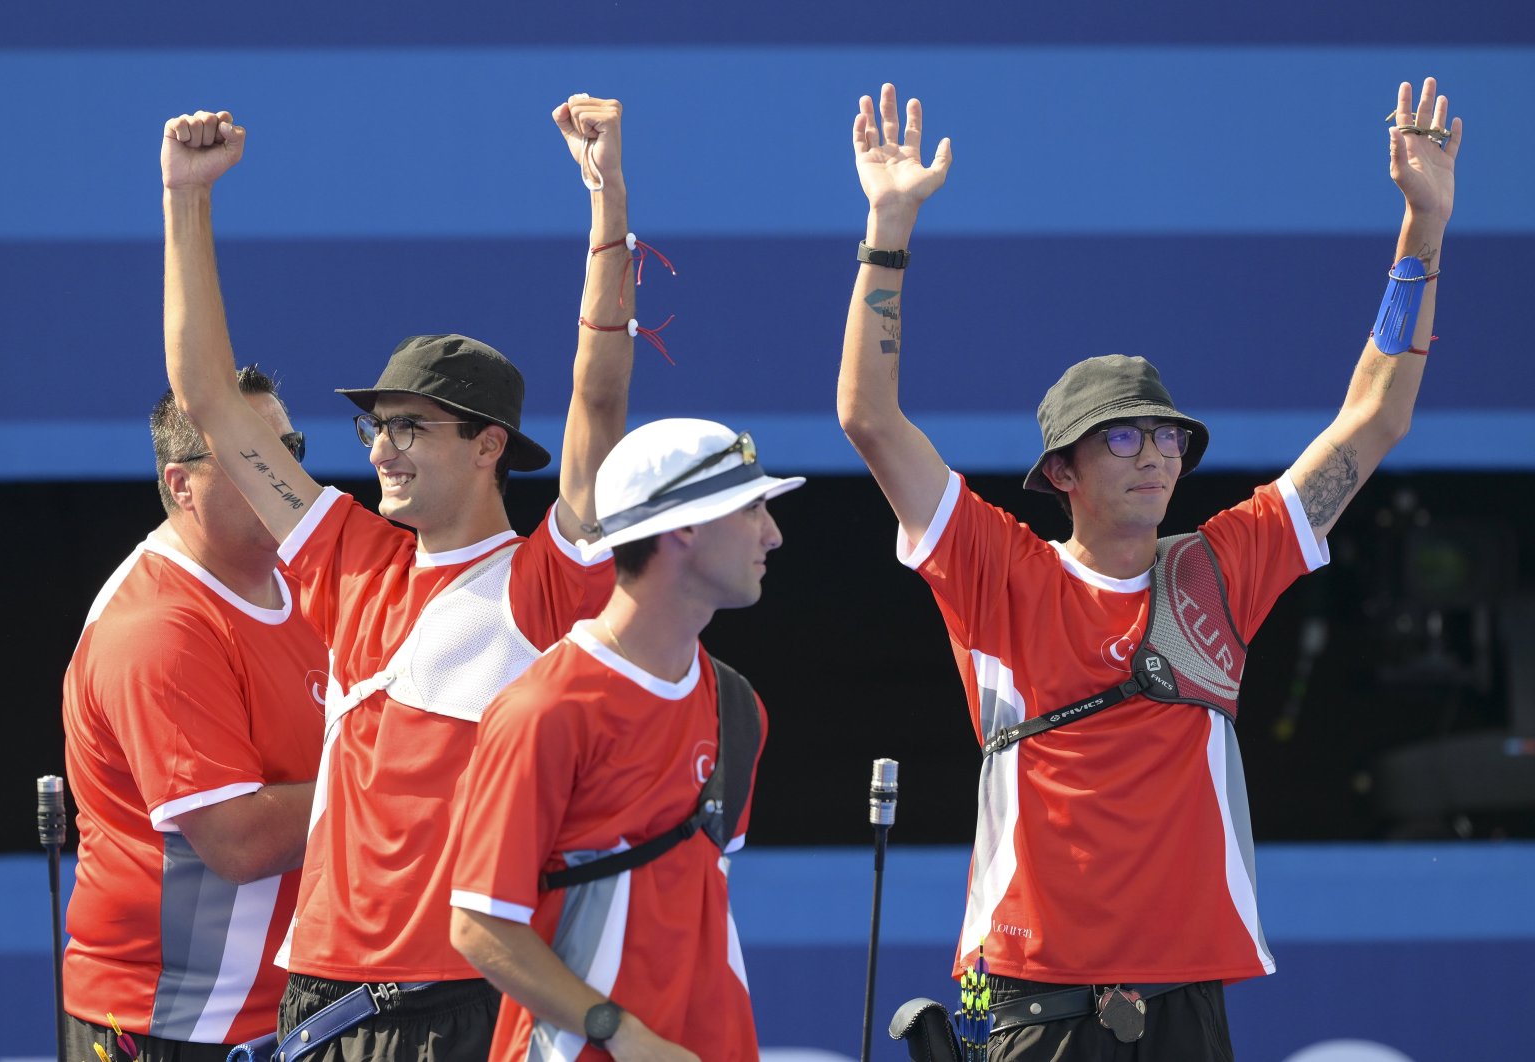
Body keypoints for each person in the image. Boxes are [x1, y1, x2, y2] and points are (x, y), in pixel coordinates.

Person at [836, 79, 1461, 1061]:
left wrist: (1421, 230)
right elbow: (870, 421)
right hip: (1039, 1001)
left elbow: (1374, 419)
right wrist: (887, 229)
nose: (1153, 454)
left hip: (1187, 999)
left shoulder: (1225, 566)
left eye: (1167, 437)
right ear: (1062, 473)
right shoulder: (1000, 572)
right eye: (1119, 436)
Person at [161, 95, 642, 1060]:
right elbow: (208, 398)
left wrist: (608, 204)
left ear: (488, 446)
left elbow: (598, 396)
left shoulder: (547, 581)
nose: (383, 449)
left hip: (466, 1003)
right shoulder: (348, 554)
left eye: (412, 427)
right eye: (376, 426)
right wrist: (184, 199)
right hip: (320, 1003)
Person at [448, 418, 803, 1061]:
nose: (773, 535)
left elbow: (694, 906)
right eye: (752, 509)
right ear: (685, 526)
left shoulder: (738, 706)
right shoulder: (545, 709)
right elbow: (479, 924)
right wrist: (623, 1033)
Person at [61, 368, 327, 1062]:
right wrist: (405, 780)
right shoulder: (158, 627)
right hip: (171, 1031)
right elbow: (238, 842)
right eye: (251, 456)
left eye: (290, 448)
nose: (285, 473)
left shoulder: (314, 577)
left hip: (298, 1014)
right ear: (182, 486)